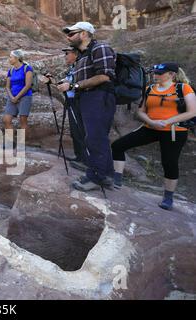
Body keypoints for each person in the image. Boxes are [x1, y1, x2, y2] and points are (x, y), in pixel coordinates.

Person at [111, 63, 196, 210]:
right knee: (118, 146)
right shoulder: (149, 89)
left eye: (159, 73)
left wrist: (167, 121)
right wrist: (151, 121)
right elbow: (141, 111)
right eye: (155, 73)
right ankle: (117, 178)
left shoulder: (183, 88)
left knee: (169, 162)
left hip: (174, 130)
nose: (155, 75)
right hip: (150, 127)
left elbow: (192, 111)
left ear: (171, 74)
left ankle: (168, 197)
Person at [58, 22, 117, 191]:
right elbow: (81, 80)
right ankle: (106, 175)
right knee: (96, 138)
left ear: (84, 34)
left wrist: (74, 86)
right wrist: (69, 83)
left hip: (99, 97)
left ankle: (94, 177)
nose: (68, 37)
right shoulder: (83, 55)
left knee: (95, 138)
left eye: (71, 34)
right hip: (87, 98)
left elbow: (105, 76)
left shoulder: (100, 48)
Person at [48, 47, 86, 168]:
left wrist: (70, 86)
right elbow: (65, 85)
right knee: (75, 131)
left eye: (67, 53)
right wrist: (52, 81)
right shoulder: (72, 68)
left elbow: (78, 85)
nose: (65, 56)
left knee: (80, 130)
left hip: (79, 102)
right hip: (71, 101)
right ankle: (79, 156)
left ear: (75, 54)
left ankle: (85, 159)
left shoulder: (80, 68)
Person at [3, 49, 33, 135]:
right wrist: (12, 97)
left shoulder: (27, 68)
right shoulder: (11, 70)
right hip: (12, 97)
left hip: (25, 96)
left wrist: (17, 97)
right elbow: (7, 86)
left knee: (23, 121)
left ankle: (22, 144)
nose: (9, 59)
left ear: (16, 58)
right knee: (6, 120)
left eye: (10, 57)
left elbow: (28, 85)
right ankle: (10, 142)